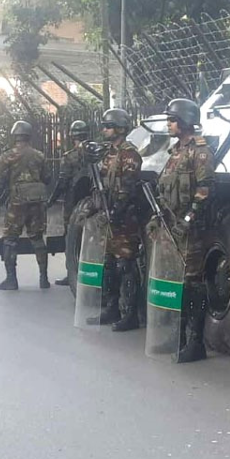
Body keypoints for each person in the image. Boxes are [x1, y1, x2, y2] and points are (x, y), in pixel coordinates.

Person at [150, 99, 216, 363]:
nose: (169, 124)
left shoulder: (199, 152)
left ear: (186, 121)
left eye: (173, 119)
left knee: (191, 285)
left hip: (190, 231)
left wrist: (187, 219)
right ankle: (177, 335)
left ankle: (195, 342)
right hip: (170, 226)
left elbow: (204, 191)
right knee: (173, 281)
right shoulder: (174, 152)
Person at [86, 109, 144, 331]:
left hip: (124, 217)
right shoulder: (107, 154)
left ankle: (130, 314)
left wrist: (117, 209)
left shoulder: (129, 154)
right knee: (108, 264)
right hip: (107, 215)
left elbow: (129, 187)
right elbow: (100, 182)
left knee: (124, 264)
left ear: (119, 129)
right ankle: (112, 308)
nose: (104, 130)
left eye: (108, 126)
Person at [0, 120, 52, 290]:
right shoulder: (39, 155)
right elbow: (47, 179)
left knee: (10, 239)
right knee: (38, 238)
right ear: (28, 136)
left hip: (17, 202)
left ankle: (11, 279)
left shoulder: (7, 156)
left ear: (15, 136)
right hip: (37, 201)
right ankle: (44, 278)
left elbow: (0, 181)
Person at [50, 119, 91, 285]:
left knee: (72, 237)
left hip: (73, 203)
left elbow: (63, 181)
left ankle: (72, 273)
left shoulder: (70, 157)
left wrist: (52, 199)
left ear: (72, 136)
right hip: (93, 201)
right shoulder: (96, 152)